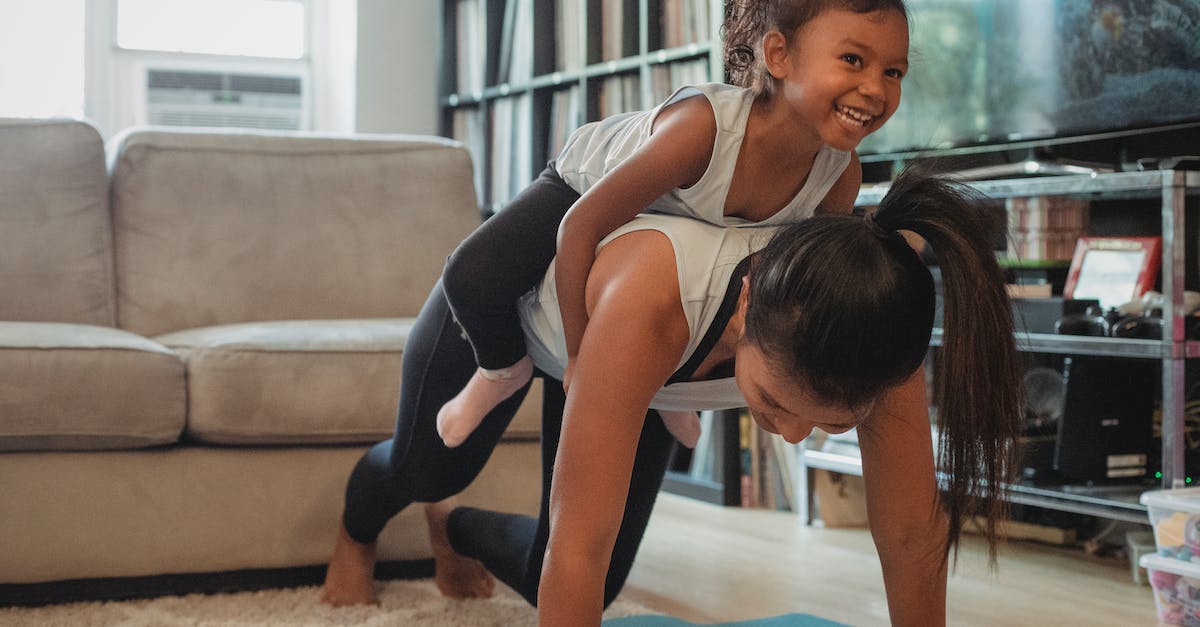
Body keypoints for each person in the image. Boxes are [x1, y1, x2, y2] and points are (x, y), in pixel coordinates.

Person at [319, 165, 1024, 626]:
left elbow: (908, 534)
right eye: (776, 404)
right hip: (509, 317)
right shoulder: (657, 301)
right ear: (745, 305)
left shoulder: (874, 320)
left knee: (567, 580)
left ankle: (455, 529)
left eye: (830, 425)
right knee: (429, 467)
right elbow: (579, 538)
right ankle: (358, 531)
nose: (793, 435)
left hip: (626, 371)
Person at [434, 0, 912, 450]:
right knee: (468, 276)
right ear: (778, 54)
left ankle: (665, 396)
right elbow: (579, 227)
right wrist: (579, 358)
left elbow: (803, 283)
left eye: (893, 72)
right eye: (853, 60)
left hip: (692, 235)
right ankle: (500, 371)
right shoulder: (702, 130)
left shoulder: (839, 172)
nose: (876, 88)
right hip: (581, 186)